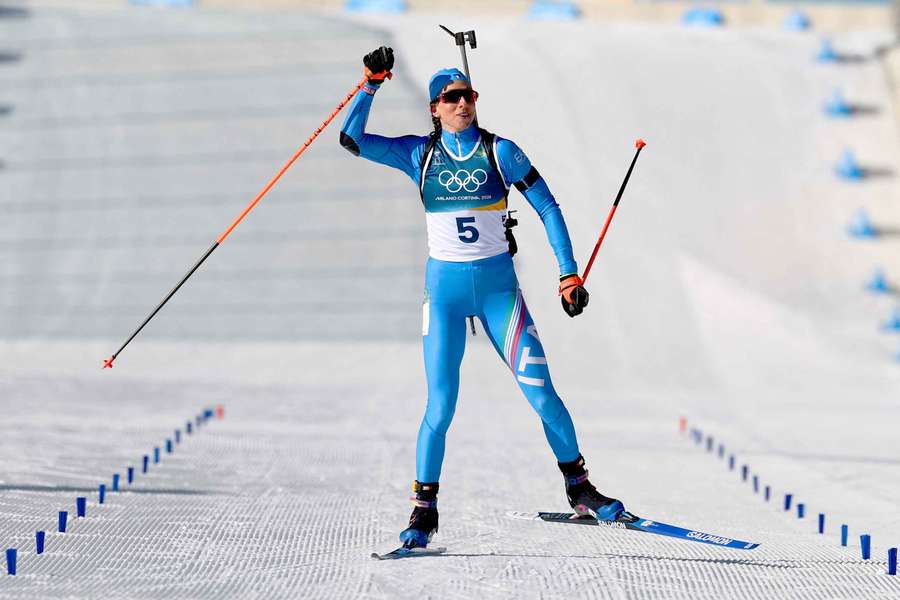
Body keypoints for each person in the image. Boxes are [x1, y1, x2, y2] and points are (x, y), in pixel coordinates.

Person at [339, 46, 625, 550]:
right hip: (444, 296)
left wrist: (567, 275)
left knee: (543, 396)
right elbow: (352, 139)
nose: (461, 104)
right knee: (441, 406)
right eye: (450, 98)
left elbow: (548, 207)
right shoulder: (417, 154)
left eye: (467, 95)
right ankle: (423, 511)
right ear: (435, 107)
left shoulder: (502, 152)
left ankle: (580, 489)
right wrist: (371, 83)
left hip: (499, 294)